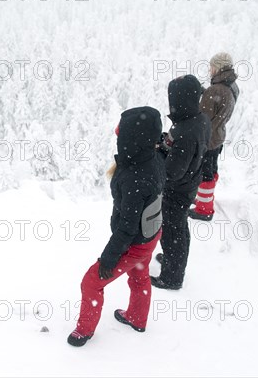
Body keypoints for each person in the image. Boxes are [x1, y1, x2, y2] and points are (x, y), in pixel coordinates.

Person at [67, 107, 166, 347]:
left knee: (92, 281)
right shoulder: (154, 158)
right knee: (140, 274)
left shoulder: (135, 177)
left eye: (120, 133)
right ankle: (137, 317)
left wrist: (109, 259)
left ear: (132, 139)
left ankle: (84, 331)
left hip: (135, 241)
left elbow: (126, 227)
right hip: (151, 233)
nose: (117, 135)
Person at [151, 75, 211, 290]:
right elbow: (193, 151)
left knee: (172, 232)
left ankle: (172, 277)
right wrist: (168, 143)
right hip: (190, 183)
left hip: (177, 190)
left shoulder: (186, 130)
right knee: (179, 229)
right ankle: (172, 262)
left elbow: (173, 172)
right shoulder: (199, 119)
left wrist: (159, 156)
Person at [189, 52, 240, 221]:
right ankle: (206, 199)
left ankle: (204, 209)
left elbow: (202, 117)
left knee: (205, 174)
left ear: (218, 67)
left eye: (211, 66)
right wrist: (207, 93)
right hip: (218, 135)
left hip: (208, 139)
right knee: (211, 170)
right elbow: (220, 105)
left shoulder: (215, 90)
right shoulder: (231, 86)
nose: (209, 70)